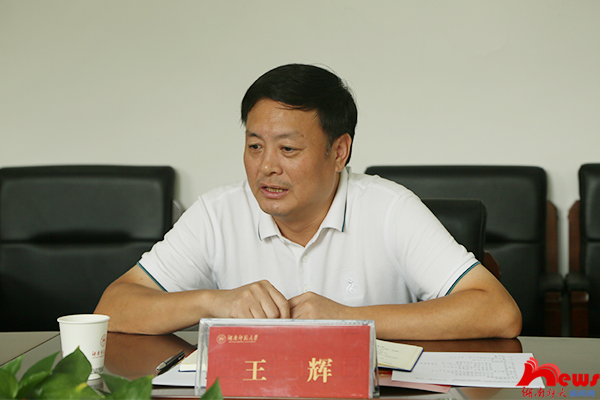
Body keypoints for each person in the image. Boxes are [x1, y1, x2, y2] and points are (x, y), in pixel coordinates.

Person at [95, 63, 521, 340]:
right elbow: (114, 307)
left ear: (339, 152)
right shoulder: (217, 213)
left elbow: (498, 312)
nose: (266, 167)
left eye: (288, 149)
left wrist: (349, 319)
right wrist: (212, 302)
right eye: (255, 146)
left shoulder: (389, 209)